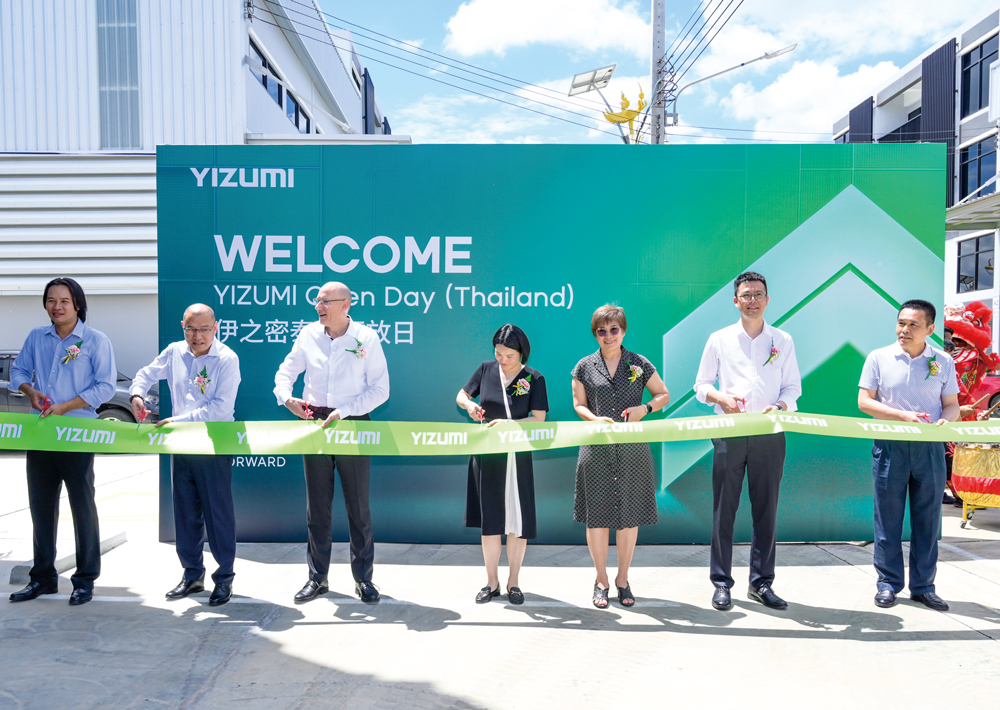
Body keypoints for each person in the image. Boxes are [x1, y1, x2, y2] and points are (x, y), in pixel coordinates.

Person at [273, 281, 389, 605]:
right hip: (314, 424)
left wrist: (346, 411)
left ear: (345, 305)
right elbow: (285, 373)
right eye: (317, 300)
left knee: (358, 507)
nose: (318, 306)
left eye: (325, 301)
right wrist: (286, 398)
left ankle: (364, 579)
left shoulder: (366, 338)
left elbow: (381, 390)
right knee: (318, 507)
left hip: (352, 423)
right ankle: (317, 578)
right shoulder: (308, 335)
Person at [694, 271, 801, 612]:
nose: (752, 300)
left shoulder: (782, 340)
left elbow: (793, 388)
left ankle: (761, 583)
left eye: (757, 294)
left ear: (767, 300)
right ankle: (721, 583)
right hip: (730, 432)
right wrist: (720, 398)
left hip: (770, 432)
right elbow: (701, 386)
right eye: (746, 295)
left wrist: (780, 406)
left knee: (766, 511)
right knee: (723, 510)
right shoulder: (719, 339)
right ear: (735, 301)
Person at [7, 277, 116, 606]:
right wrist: (29, 391)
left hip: (77, 433)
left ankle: (85, 580)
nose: (57, 306)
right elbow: (18, 372)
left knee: (82, 506)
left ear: (77, 305)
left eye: (64, 301)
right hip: (41, 431)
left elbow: (105, 387)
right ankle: (42, 578)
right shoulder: (36, 337)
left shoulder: (95, 340)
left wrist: (66, 406)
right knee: (41, 506)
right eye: (51, 300)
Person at [130, 304, 241, 606]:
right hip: (181, 444)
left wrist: (178, 421)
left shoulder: (227, 359)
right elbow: (146, 373)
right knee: (185, 514)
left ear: (216, 327)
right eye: (191, 329)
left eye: (204, 329)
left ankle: (224, 578)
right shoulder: (174, 352)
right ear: (183, 327)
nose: (197, 336)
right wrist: (137, 394)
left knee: (218, 515)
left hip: (213, 443)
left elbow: (220, 408)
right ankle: (192, 575)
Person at [858, 299, 960, 611]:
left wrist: (946, 422)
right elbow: (864, 401)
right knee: (887, 520)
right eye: (901, 323)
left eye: (913, 324)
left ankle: (924, 587)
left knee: (927, 521)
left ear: (930, 329)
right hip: (890, 447)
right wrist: (902, 416)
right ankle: (888, 585)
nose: (904, 329)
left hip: (930, 449)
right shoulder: (878, 357)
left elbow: (951, 405)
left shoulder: (943, 361)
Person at [571, 305, 670, 608]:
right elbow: (578, 404)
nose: (608, 335)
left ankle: (623, 580)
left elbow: (663, 395)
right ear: (595, 334)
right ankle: (601, 580)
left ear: (623, 331)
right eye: (601, 331)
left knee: (629, 516)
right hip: (596, 449)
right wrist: (594, 418)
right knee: (596, 518)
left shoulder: (639, 363)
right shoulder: (584, 366)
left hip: (632, 451)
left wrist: (645, 409)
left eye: (614, 329)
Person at [456, 324, 548, 605]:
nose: (503, 360)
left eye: (510, 355)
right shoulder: (486, 369)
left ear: (522, 353)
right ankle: (491, 582)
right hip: (487, 455)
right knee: (491, 521)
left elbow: (539, 419)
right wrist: (469, 406)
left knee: (517, 522)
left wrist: (509, 425)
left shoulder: (534, 378)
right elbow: (461, 395)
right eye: (499, 353)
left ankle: (514, 582)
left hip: (517, 457)